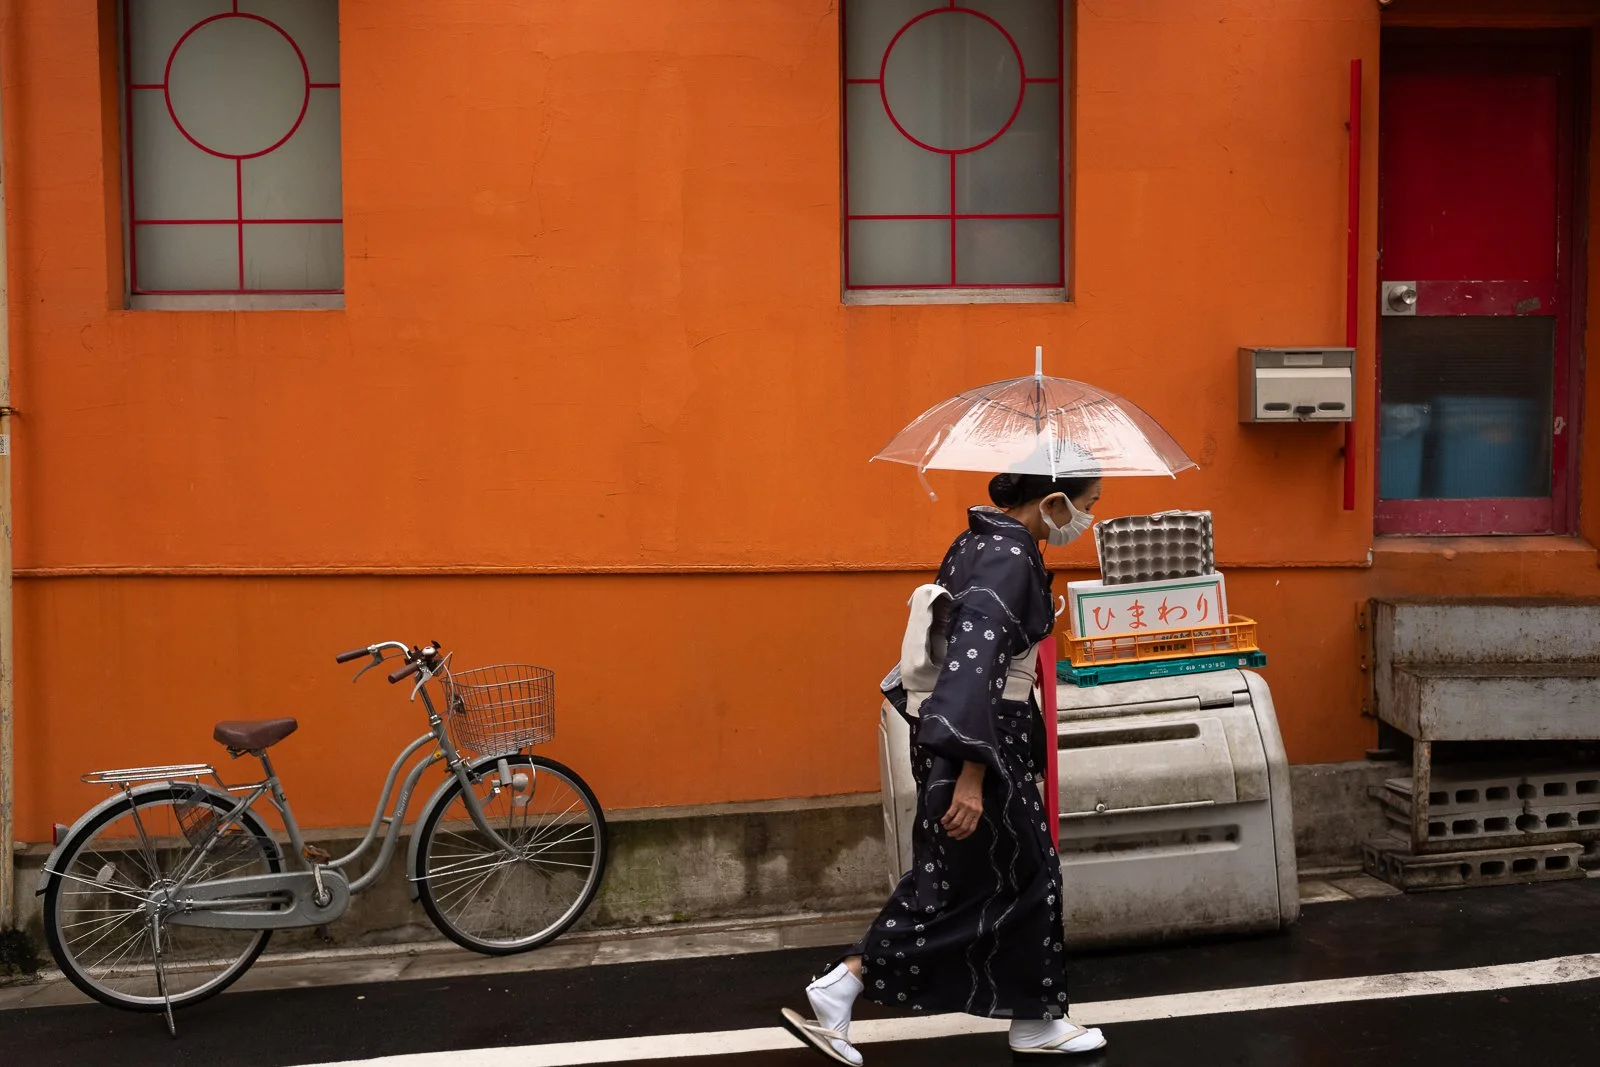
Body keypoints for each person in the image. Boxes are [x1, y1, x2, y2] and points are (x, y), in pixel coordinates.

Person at [780, 471, 1108, 1063]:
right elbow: (973, 665)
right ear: (1053, 501)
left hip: (970, 735)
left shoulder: (978, 541)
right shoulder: (1008, 556)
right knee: (998, 881)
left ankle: (1032, 1018)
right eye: (1087, 506)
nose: (1086, 520)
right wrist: (973, 776)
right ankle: (848, 980)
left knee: (997, 877)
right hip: (983, 740)